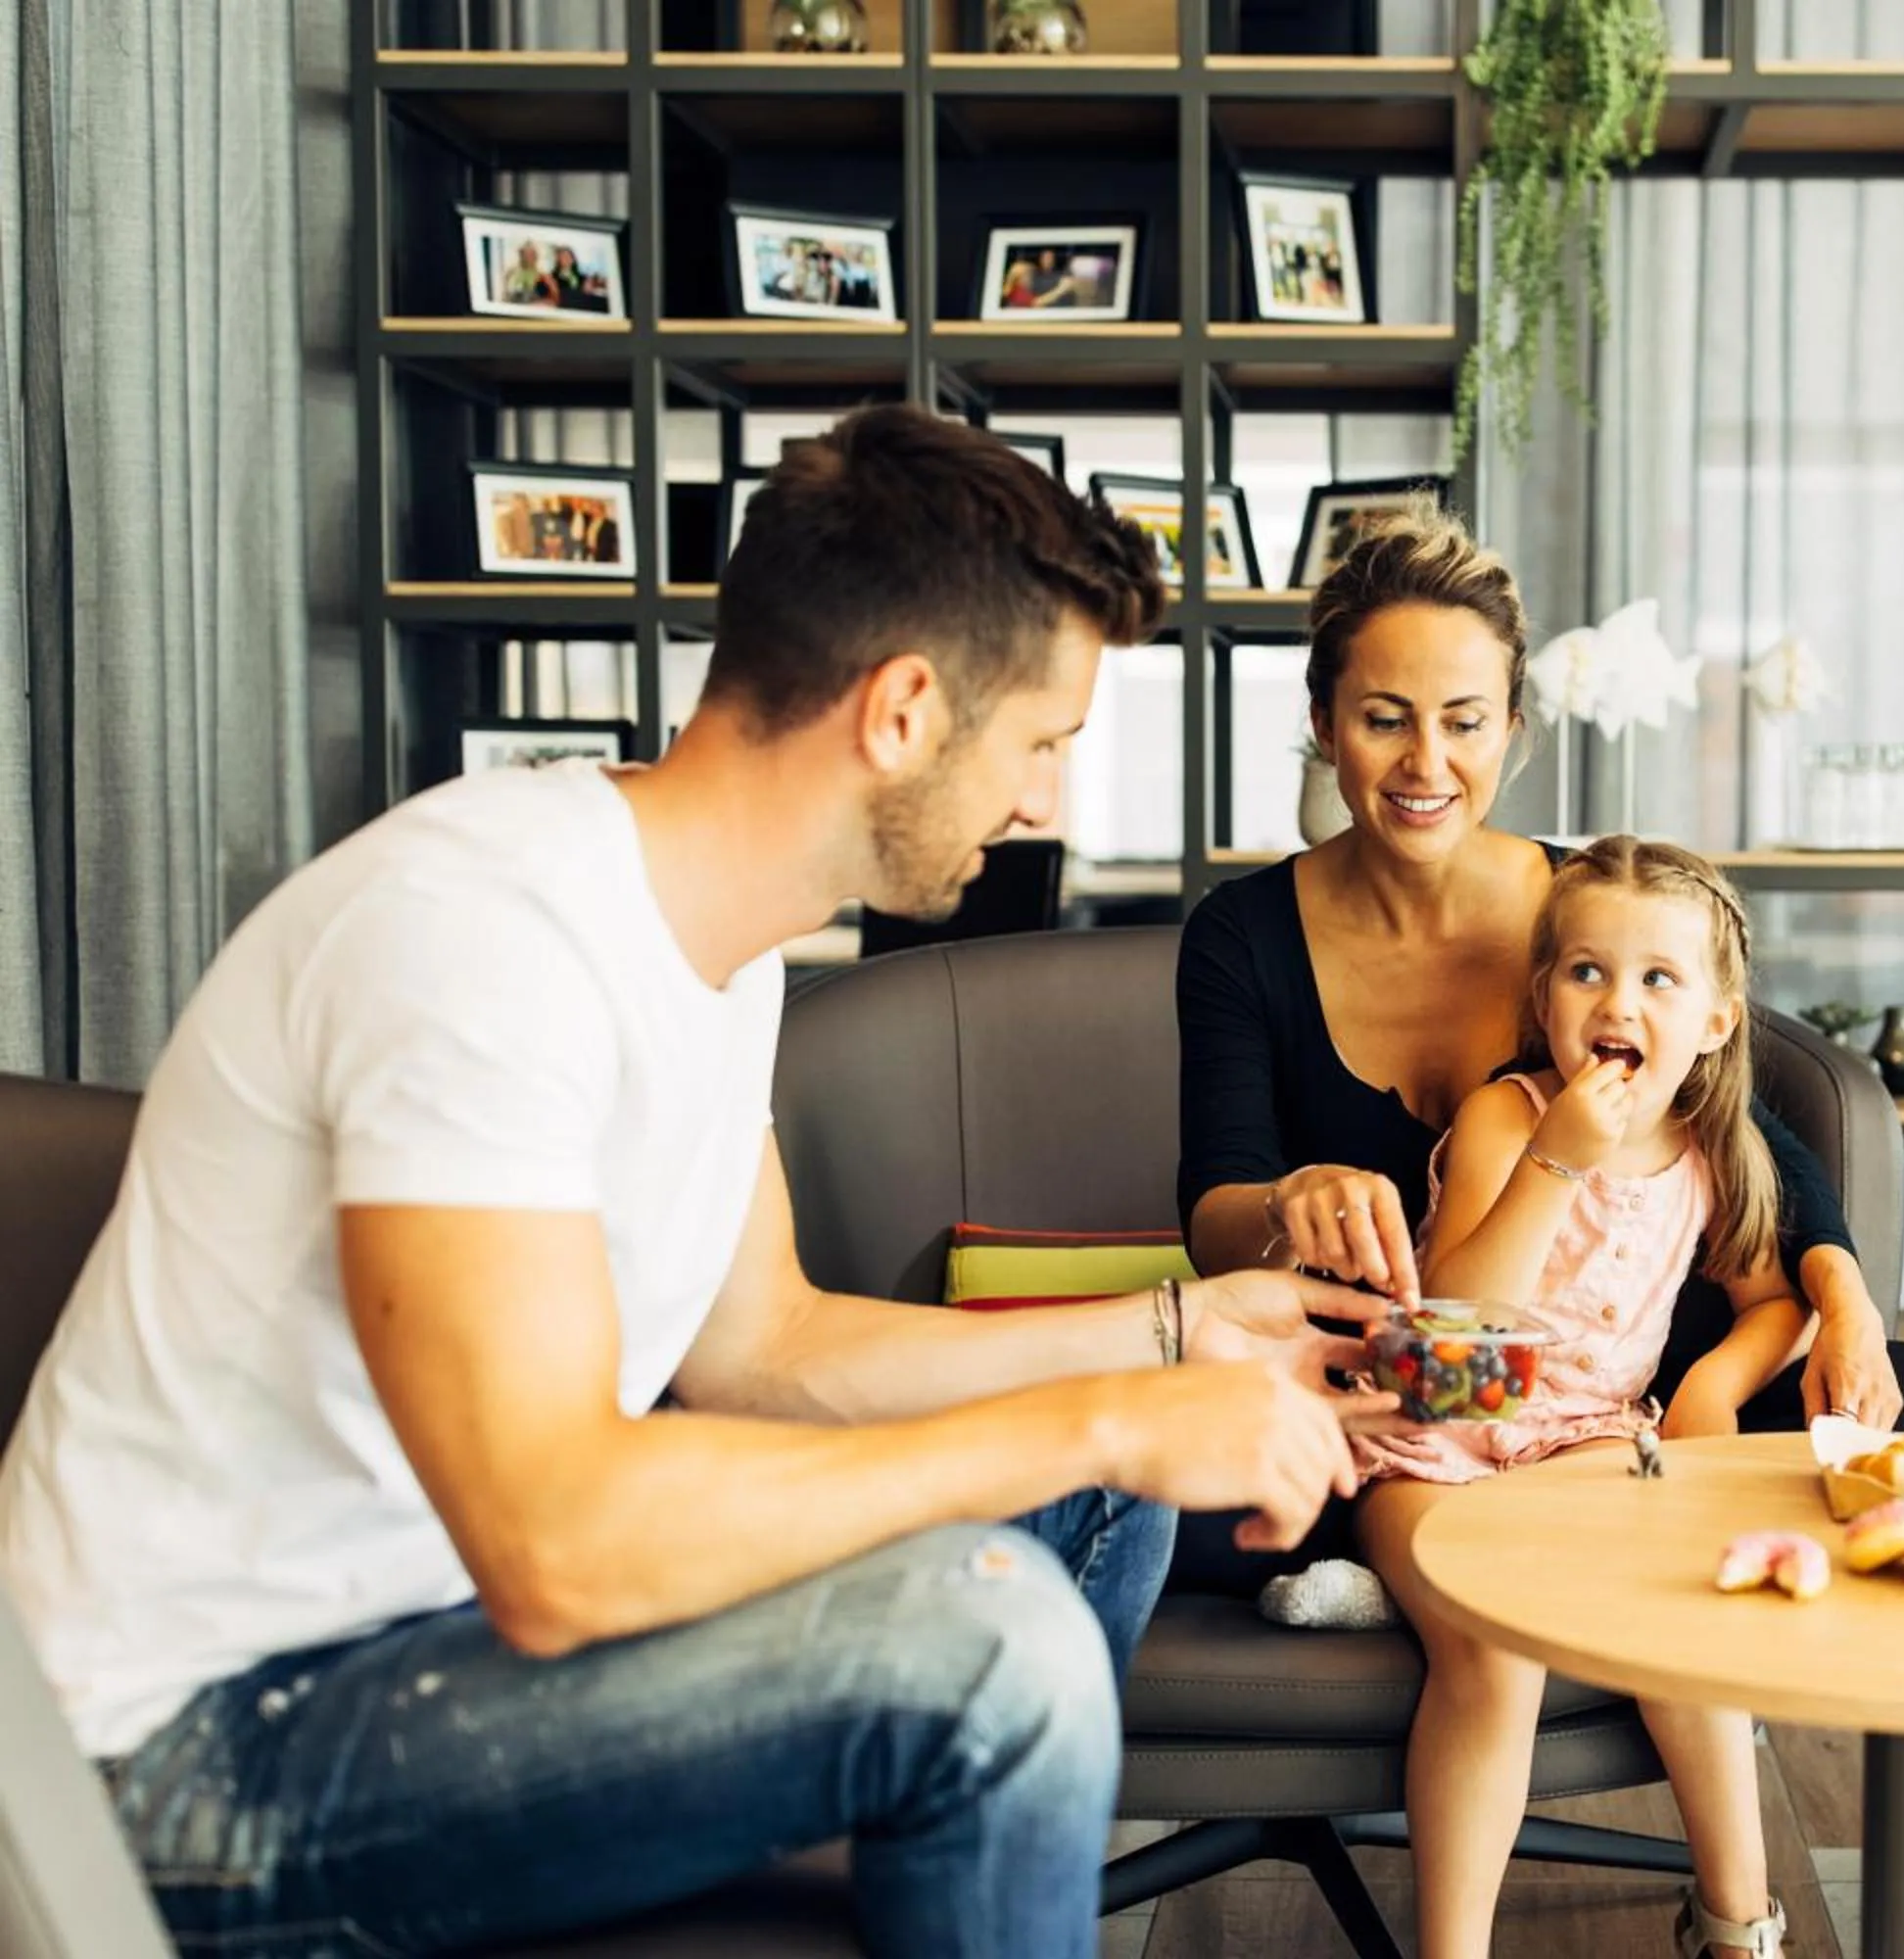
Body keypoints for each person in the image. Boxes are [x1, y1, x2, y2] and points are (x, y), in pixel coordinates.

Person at [0, 405, 1399, 1959]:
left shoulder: (716, 950)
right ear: (904, 711)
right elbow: (552, 1543)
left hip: (432, 1645)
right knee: (997, 1634)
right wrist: (1104, 1414)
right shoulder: (482, 939)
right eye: (1043, 744)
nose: (1044, 808)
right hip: (176, 1745)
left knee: (1099, 1491)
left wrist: (1171, 1342)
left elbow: (767, 1355)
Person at [1175, 505, 1904, 1587]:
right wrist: (1287, 1200)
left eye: (1466, 722)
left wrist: (1848, 1305)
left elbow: (1744, 1134)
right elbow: (1214, 1212)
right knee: (1154, 1486)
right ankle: (1402, 1542)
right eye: (1384, 718)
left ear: (1512, 730)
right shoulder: (1242, 935)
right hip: (1386, 1394)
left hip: (1625, 1393)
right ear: (1324, 723)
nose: (1427, 761)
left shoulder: (1590, 912)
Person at [1360, 836, 1805, 1959]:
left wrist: (1713, 1379)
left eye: (1659, 977)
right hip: (1433, 1434)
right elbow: (1459, 1324)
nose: (1619, 1002)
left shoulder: (1710, 1149)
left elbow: (1775, 1300)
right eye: (1588, 971)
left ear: (1716, 1019)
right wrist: (1556, 1162)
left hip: (1586, 1436)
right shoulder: (1509, 1117)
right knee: (1492, 1640)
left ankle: (1739, 1924)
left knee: (1681, 1609)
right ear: (1543, 996)